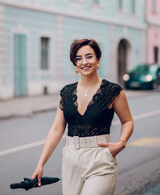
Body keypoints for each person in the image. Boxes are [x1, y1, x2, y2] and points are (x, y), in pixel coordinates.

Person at [32, 38, 134, 195]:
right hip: (70, 159)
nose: (84, 62)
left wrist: (121, 143)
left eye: (89, 56)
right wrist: (40, 163)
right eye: (78, 58)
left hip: (100, 158)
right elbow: (57, 129)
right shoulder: (66, 92)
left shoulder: (113, 91)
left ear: (98, 59)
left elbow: (127, 121)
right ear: (75, 64)